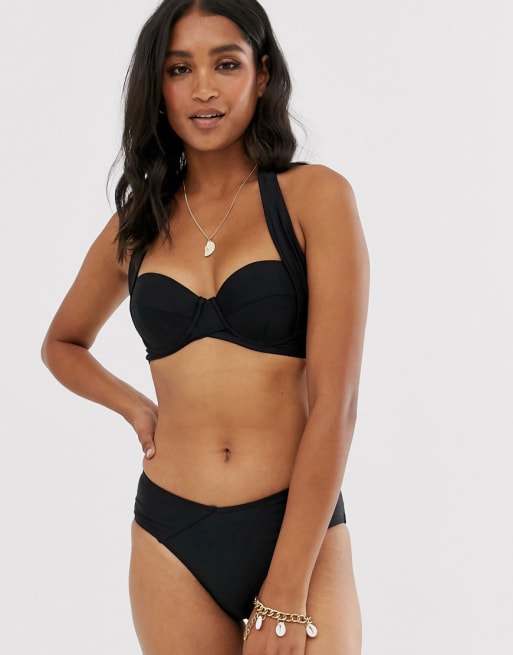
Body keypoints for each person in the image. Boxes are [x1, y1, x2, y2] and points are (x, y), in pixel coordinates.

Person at [41, 0, 369, 653]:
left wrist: (284, 590)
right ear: (157, 86)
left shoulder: (314, 198)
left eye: (225, 64)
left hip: (294, 525)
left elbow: (337, 404)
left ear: (262, 74)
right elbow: (61, 344)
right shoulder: (138, 223)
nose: (203, 89)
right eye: (178, 68)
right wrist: (134, 405)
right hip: (171, 538)